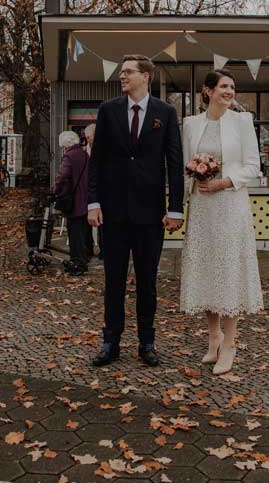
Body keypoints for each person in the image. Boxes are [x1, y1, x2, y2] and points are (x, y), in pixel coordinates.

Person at [87, 54, 184, 368]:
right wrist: (93, 202)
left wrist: (175, 209)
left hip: (150, 215)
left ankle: (147, 342)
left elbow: (174, 163)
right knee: (112, 281)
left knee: (147, 282)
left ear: (146, 76)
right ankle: (110, 342)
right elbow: (96, 161)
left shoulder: (166, 113)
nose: (122, 76)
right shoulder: (108, 111)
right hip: (113, 214)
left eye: (128, 71)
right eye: (121, 71)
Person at [180, 70, 264, 375]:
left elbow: (253, 167)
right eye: (223, 87)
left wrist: (224, 182)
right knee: (207, 269)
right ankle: (213, 337)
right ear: (208, 91)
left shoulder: (242, 122)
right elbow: (185, 165)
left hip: (230, 204)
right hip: (202, 206)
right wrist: (195, 173)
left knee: (227, 270)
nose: (229, 91)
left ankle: (230, 343)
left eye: (232, 87)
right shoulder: (191, 124)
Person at [53, 131, 92, 275]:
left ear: (65, 144)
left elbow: (62, 176)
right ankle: (85, 257)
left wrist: (56, 190)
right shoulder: (84, 154)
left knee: (74, 233)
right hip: (86, 199)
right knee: (83, 231)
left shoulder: (69, 156)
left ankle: (78, 263)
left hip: (74, 200)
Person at [83, 123, 99, 262]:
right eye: (87, 137)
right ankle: (88, 249)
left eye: (91, 137)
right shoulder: (83, 152)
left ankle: (102, 249)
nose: (89, 140)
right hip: (86, 191)